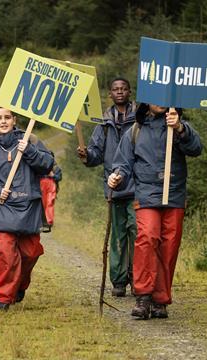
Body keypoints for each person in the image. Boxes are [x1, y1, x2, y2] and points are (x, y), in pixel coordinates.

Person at [108, 103, 202, 319]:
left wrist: (179, 128)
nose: (159, 101)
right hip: (147, 195)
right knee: (147, 238)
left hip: (174, 195)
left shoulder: (180, 127)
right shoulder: (136, 130)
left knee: (169, 246)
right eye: (155, 97)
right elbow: (123, 163)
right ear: (146, 100)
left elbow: (196, 149)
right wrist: (118, 176)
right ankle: (143, 296)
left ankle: (160, 300)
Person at [0, 106, 54, 311]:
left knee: (30, 253)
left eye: (7, 117)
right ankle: (2, 299)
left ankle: (19, 286)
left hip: (28, 208)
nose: (3, 121)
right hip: (2, 208)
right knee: (5, 252)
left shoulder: (30, 141)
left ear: (14, 120)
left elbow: (48, 164)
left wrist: (29, 151)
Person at [77, 77, 137, 297]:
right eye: (115, 89)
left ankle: (138, 279)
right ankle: (119, 281)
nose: (119, 92)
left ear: (130, 92)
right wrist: (86, 155)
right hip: (114, 188)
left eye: (123, 88)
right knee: (118, 236)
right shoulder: (103, 123)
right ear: (110, 94)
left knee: (138, 234)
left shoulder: (140, 120)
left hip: (138, 188)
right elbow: (95, 154)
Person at [39, 158, 62, 232]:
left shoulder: (56, 168)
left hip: (51, 187)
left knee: (49, 203)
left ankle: (49, 222)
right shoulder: (39, 166)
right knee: (42, 204)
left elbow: (59, 178)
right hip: (41, 186)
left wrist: (53, 175)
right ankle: (42, 222)